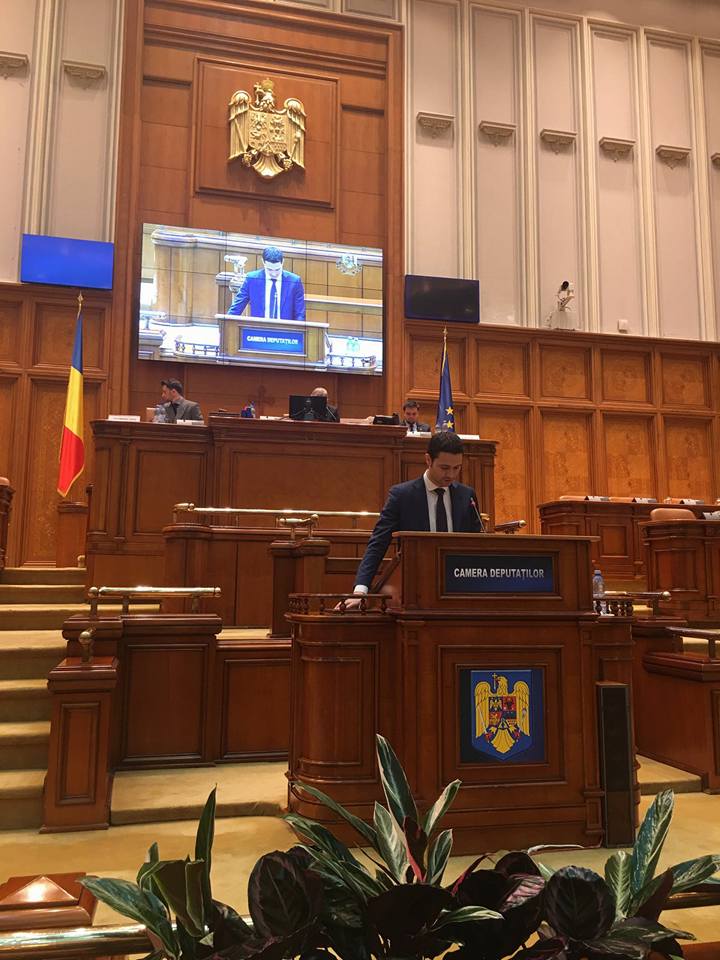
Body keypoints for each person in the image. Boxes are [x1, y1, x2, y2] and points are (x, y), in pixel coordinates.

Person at [352, 432, 482, 594]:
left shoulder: (467, 495)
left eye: (457, 468)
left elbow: (476, 544)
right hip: (415, 586)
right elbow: (378, 543)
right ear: (428, 460)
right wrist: (361, 588)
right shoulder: (402, 495)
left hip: (458, 585)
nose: (451, 475)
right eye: (444, 468)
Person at [226, 246, 306, 321]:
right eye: (270, 269)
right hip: (258, 329)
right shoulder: (252, 279)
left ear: (283, 262)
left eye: (277, 269)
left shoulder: (294, 281)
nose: (274, 274)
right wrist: (227, 323)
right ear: (263, 262)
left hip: (285, 330)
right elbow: (237, 307)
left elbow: (300, 315)